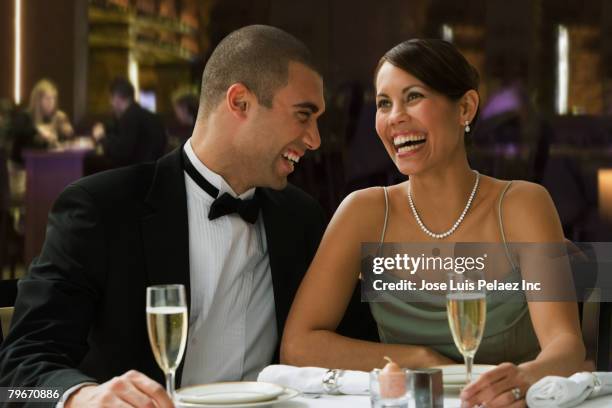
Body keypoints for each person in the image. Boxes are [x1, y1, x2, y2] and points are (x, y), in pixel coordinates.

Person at [0, 25, 326, 407]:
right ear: (239, 102)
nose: (315, 139)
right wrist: (82, 398)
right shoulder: (100, 210)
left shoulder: (303, 220)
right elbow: (15, 376)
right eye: (303, 115)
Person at [281, 39, 585, 408]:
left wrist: (524, 379)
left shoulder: (523, 206)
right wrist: (422, 360)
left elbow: (566, 345)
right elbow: (298, 345)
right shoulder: (363, 214)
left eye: (413, 97)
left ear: (466, 108)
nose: (394, 118)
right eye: (383, 103)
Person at [91, 78, 167, 168]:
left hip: (139, 175)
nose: (110, 103)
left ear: (117, 98)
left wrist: (101, 138)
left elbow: (120, 153)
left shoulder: (130, 117)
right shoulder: (145, 115)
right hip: (154, 172)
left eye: (111, 98)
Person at [10, 79, 74, 165]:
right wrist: (37, 130)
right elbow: (16, 133)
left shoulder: (52, 118)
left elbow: (54, 145)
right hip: (21, 168)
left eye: (53, 98)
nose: (51, 102)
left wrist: (65, 133)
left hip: (43, 166)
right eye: (47, 98)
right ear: (37, 100)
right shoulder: (25, 116)